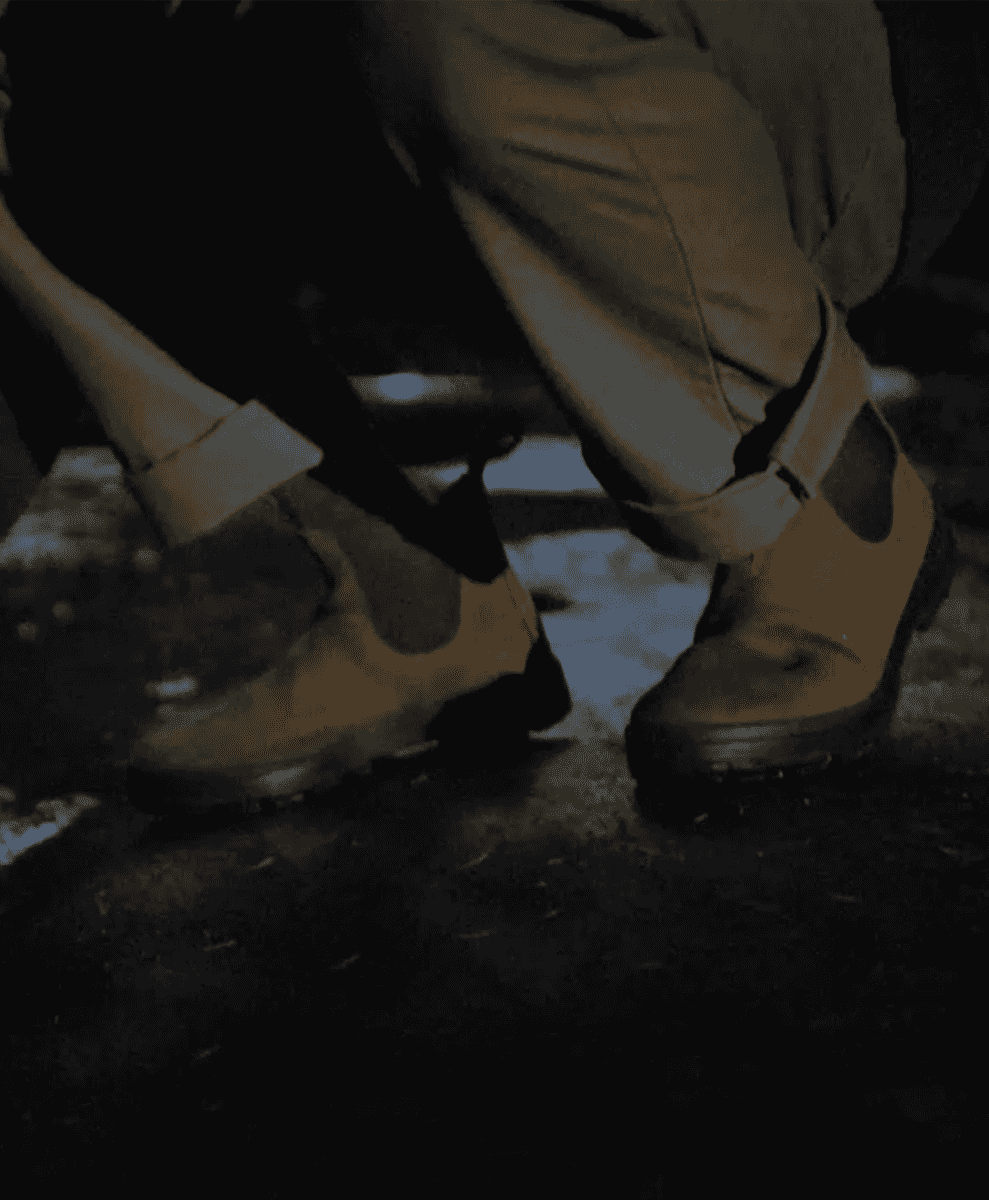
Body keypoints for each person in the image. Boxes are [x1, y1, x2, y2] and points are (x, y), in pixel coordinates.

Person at [0, 1, 981, 814]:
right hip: (402, 94)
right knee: (41, 66)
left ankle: (823, 495)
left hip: (805, 71)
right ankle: (414, 607)